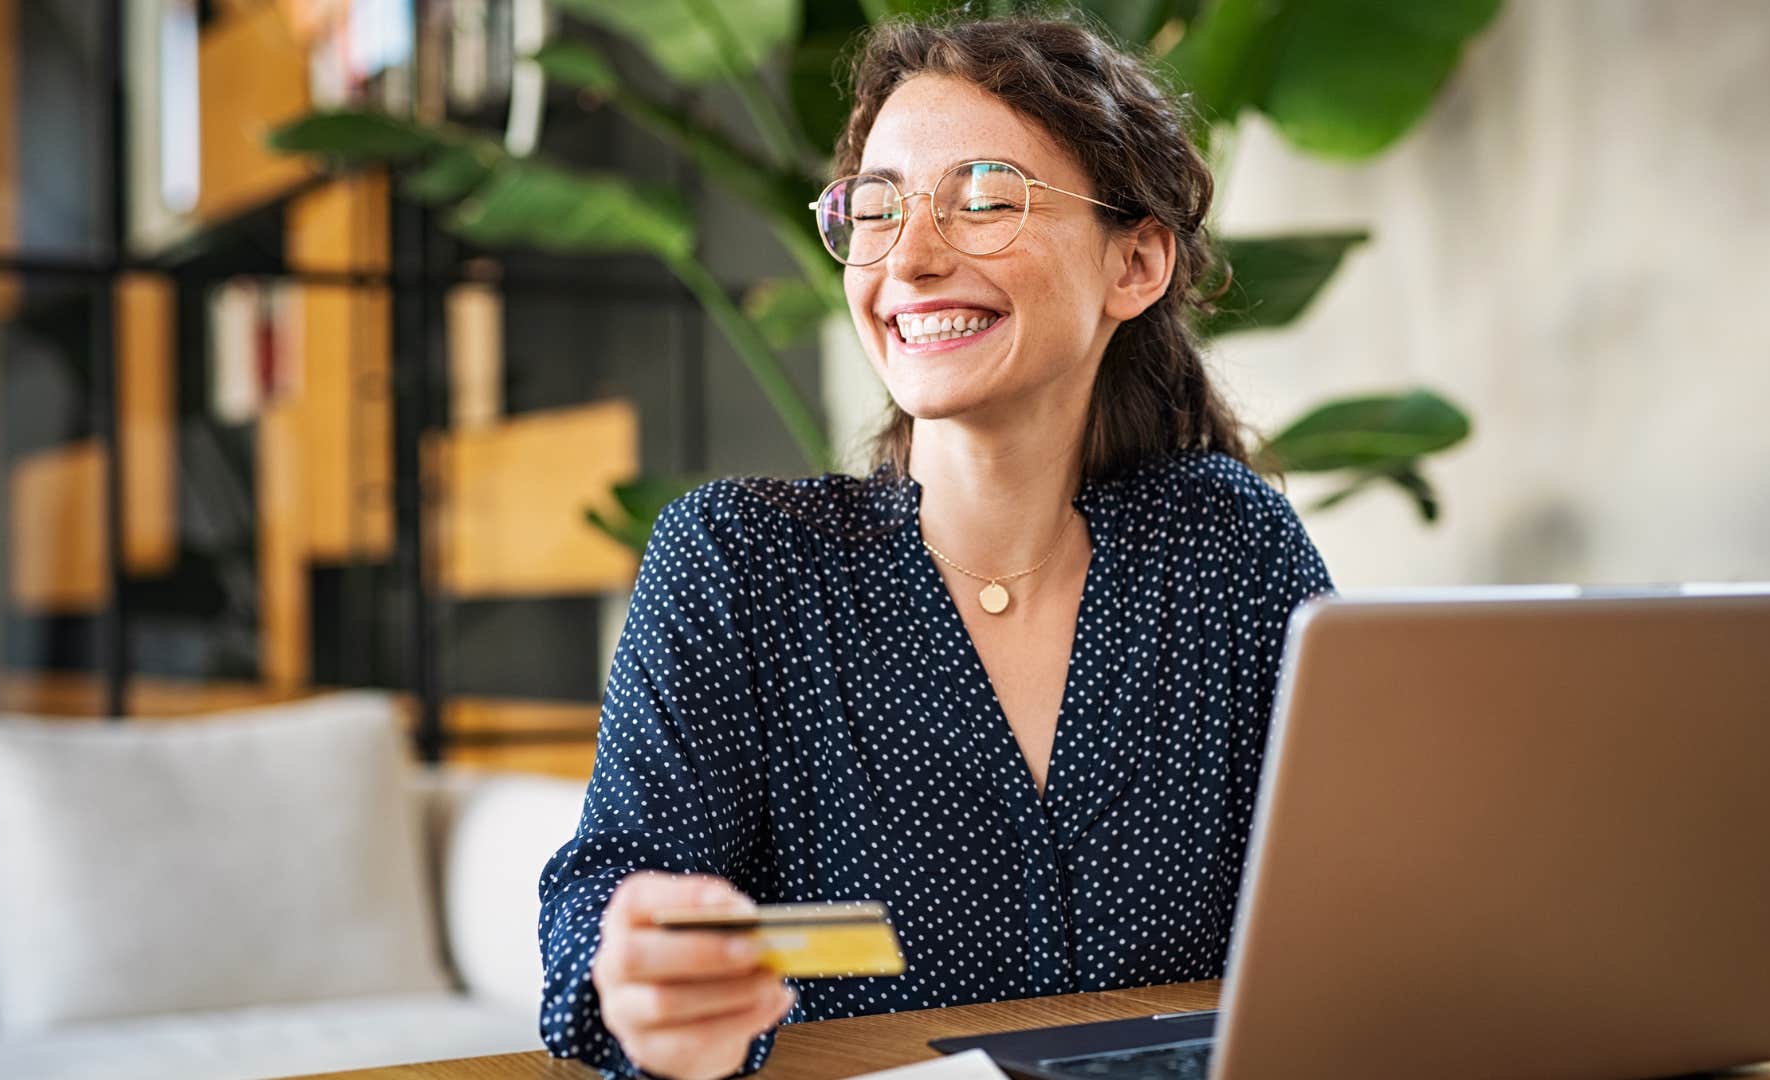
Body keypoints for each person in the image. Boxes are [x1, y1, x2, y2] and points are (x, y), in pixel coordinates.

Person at [538, 14, 1333, 1080]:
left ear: (1135, 261)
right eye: (877, 207)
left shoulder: (1225, 549)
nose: (909, 257)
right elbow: (607, 897)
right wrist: (638, 973)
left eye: (987, 198)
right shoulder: (738, 564)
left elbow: (1355, 906)